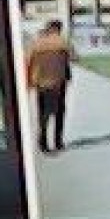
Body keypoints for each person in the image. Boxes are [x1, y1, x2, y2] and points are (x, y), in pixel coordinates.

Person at [25, 20, 74, 154]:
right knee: (59, 111)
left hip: (41, 81)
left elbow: (28, 60)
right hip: (58, 80)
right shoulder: (63, 41)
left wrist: (29, 81)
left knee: (43, 112)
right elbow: (74, 57)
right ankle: (58, 141)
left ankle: (43, 142)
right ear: (57, 29)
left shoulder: (37, 42)